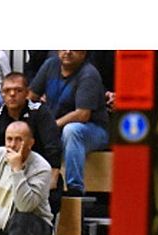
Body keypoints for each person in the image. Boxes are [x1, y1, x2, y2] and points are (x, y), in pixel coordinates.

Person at [28, 50, 109, 197]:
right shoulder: (50, 65)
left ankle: (74, 189)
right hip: (58, 126)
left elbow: (83, 114)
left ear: (84, 52)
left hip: (94, 129)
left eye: (74, 48)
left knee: (72, 130)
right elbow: (31, 96)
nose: (68, 51)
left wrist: (50, 126)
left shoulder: (89, 74)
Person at [0, 72, 62, 210]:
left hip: (38, 172)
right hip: (6, 176)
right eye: (7, 91)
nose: (12, 94)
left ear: (27, 93)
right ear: (1, 94)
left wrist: (53, 177)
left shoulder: (41, 113)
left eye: (18, 90)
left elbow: (52, 146)